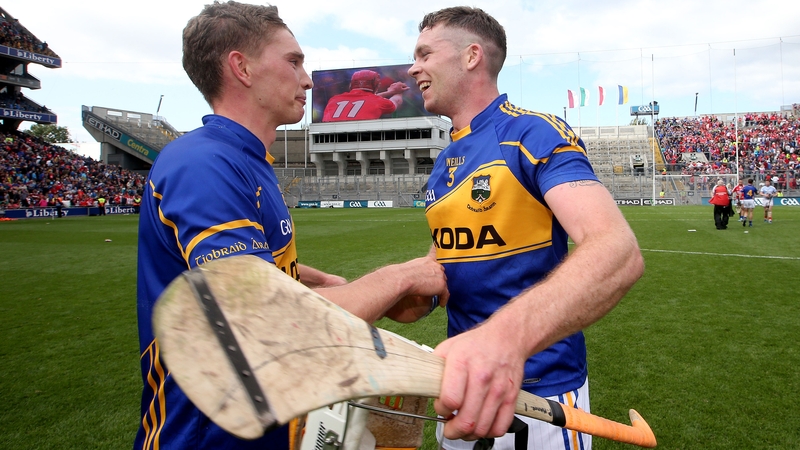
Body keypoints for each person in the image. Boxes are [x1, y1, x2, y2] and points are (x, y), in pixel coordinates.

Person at [135, 3, 449, 450]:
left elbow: (250, 277)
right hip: (207, 436)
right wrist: (402, 275)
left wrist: (320, 281)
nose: (307, 79)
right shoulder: (204, 163)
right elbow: (264, 321)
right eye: (294, 61)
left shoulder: (246, 160)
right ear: (241, 67)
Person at [408, 7, 644, 450]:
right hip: (462, 391)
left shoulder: (531, 133)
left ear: (471, 56)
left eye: (424, 53)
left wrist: (502, 341)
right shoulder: (442, 164)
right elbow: (446, 267)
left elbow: (617, 250)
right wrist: (397, 292)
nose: (412, 67)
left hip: (541, 396)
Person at [322, 69, 409, 122]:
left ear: (351, 84)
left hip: (329, 141)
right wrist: (399, 91)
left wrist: (389, 92)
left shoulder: (333, 99)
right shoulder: (377, 101)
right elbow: (396, 101)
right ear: (375, 85)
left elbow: (366, 100)